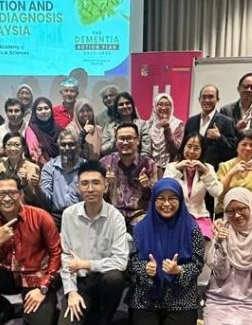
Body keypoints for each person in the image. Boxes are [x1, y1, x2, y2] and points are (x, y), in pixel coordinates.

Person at [0, 172, 62, 325]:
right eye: (1, 193)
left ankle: (48, 308)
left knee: (39, 322)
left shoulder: (41, 217)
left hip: (36, 276)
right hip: (8, 275)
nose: (6, 198)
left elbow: (56, 253)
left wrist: (43, 288)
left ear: (21, 194)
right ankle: (3, 310)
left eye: (12, 193)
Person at [59, 161, 130, 325]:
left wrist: (85, 264)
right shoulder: (68, 215)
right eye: (84, 183)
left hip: (105, 280)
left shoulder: (116, 217)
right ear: (78, 187)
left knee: (114, 278)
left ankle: (105, 318)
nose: (90, 189)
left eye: (96, 183)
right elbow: (66, 256)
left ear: (105, 186)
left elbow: (120, 261)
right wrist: (71, 292)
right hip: (81, 281)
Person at [127, 178, 205, 325]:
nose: (167, 204)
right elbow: (133, 262)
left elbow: (198, 264)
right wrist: (145, 269)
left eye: (172, 198)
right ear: (153, 200)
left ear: (180, 200)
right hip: (146, 297)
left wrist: (179, 270)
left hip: (181, 297)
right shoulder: (140, 228)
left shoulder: (192, 228)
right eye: (161, 198)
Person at [204, 187, 252, 325]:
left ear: (251, 206)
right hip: (219, 302)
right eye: (230, 211)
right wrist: (220, 244)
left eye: (241, 209)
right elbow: (221, 274)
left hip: (250, 304)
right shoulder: (221, 230)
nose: (237, 215)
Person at [163, 134, 222, 238]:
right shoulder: (172, 166)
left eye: (196, 148)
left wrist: (205, 172)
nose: (191, 151)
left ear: (202, 151)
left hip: (199, 215)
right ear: (183, 147)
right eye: (189, 146)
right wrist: (177, 169)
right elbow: (164, 190)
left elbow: (216, 192)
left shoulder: (208, 168)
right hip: (176, 215)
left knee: (203, 239)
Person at [100, 122, 157, 226]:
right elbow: (97, 197)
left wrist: (146, 186)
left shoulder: (148, 164)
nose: (125, 142)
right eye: (121, 138)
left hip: (139, 215)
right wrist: (106, 186)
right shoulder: (105, 163)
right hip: (112, 214)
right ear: (116, 141)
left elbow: (157, 197)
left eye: (129, 138)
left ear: (138, 140)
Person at [0, 132, 42, 215]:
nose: (12, 148)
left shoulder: (33, 168)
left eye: (17, 145)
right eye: (9, 145)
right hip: (1, 209)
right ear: (4, 148)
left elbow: (33, 198)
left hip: (26, 209)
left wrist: (25, 183)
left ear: (23, 148)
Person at [184, 84, 237, 171]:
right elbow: (184, 146)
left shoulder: (226, 121)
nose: (207, 100)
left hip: (214, 171)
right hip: (191, 169)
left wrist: (219, 138)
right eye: (204, 97)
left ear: (217, 99)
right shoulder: (191, 121)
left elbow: (232, 152)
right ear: (199, 99)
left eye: (211, 97)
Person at [216, 130, 252, 216]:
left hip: (250, 211)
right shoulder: (225, 166)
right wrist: (231, 173)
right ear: (237, 146)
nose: (248, 148)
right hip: (226, 210)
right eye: (244, 144)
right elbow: (219, 192)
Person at [40, 129, 87, 223]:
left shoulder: (86, 166)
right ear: (59, 146)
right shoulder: (49, 167)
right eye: (63, 144)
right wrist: (37, 187)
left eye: (71, 144)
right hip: (56, 216)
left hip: (81, 214)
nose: (67, 148)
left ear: (78, 146)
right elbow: (46, 201)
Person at [101, 92, 151, 157]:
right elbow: (103, 151)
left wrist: (137, 161)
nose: (125, 106)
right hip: (115, 162)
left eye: (127, 103)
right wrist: (114, 140)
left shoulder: (142, 125)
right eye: (121, 104)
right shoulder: (109, 126)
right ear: (116, 108)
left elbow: (146, 150)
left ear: (132, 106)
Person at [145, 93, 185, 173]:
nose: (163, 108)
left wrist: (167, 129)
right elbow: (145, 149)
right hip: (150, 169)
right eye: (160, 104)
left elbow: (175, 150)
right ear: (155, 107)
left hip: (170, 169)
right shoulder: (148, 125)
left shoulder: (178, 124)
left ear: (172, 107)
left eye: (167, 105)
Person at [0, 98, 28, 164]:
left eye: (16, 111)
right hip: (5, 168)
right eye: (10, 111)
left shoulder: (29, 128)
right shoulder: (0, 130)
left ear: (22, 113)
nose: (13, 114)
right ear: (6, 113)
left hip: (26, 167)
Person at [26, 97, 63, 165]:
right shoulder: (32, 130)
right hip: (41, 168)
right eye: (39, 109)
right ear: (35, 112)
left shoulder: (59, 129)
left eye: (46, 108)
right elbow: (35, 155)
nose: (43, 111)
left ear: (51, 110)